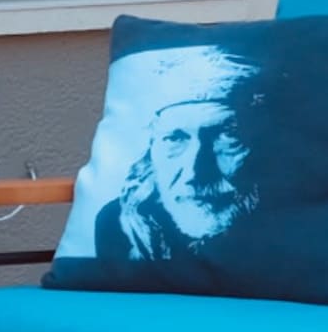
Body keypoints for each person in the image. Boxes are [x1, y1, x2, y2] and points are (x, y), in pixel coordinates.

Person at [85, 46, 267, 264]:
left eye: (228, 136)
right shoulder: (119, 225)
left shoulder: (294, 224)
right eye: (174, 139)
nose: (194, 173)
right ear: (152, 149)